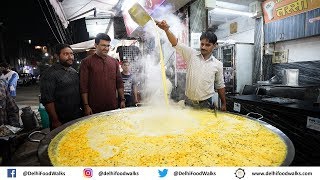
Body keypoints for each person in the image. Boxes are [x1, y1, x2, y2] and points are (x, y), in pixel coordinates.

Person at [156, 20, 227, 111]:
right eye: (202, 44)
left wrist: (224, 103)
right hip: (188, 102)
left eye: (207, 45)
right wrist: (166, 30)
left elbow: (220, 85)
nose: (203, 47)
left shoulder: (218, 64)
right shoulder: (191, 54)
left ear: (214, 46)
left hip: (205, 104)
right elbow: (176, 43)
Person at [80, 33, 125, 115]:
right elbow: (83, 86)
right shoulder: (86, 62)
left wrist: (122, 99)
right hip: (94, 108)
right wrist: (86, 105)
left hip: (112, 106)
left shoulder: (114, 62)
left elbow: (119, 82)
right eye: (103, 45)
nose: (106, 48)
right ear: (96, 45)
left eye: (108, 45)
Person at [40, 44, 83, 130]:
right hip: (61, 120)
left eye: (71, 54)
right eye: (66, 54)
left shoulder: (73, 72)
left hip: (77, 116)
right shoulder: (49, 74)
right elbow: (48, 101)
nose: (70, 57)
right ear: (57, 56)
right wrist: (55, 120)